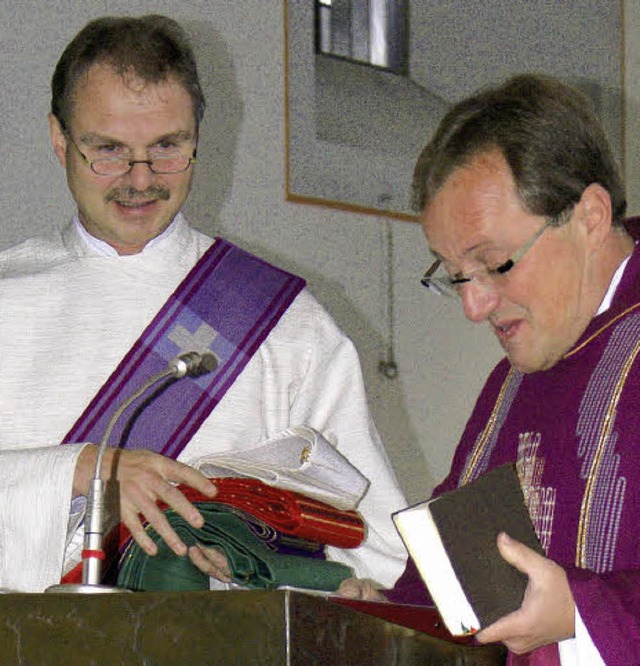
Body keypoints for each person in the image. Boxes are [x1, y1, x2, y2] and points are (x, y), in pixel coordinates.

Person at [0, 15, 407, 593]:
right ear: (59, 139)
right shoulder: (7, 298)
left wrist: (327, 584)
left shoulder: (281, 321)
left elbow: (376, 547)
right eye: (109, 150)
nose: (140, 179)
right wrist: (82, 470)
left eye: (168, 147)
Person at [384, 74, 640, 665]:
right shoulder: (510, 388)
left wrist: (583, 615)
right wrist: (383, 615)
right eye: (454, 276)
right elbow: (446, 586)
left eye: (495, 264)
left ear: (592, 216)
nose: (474, 307)